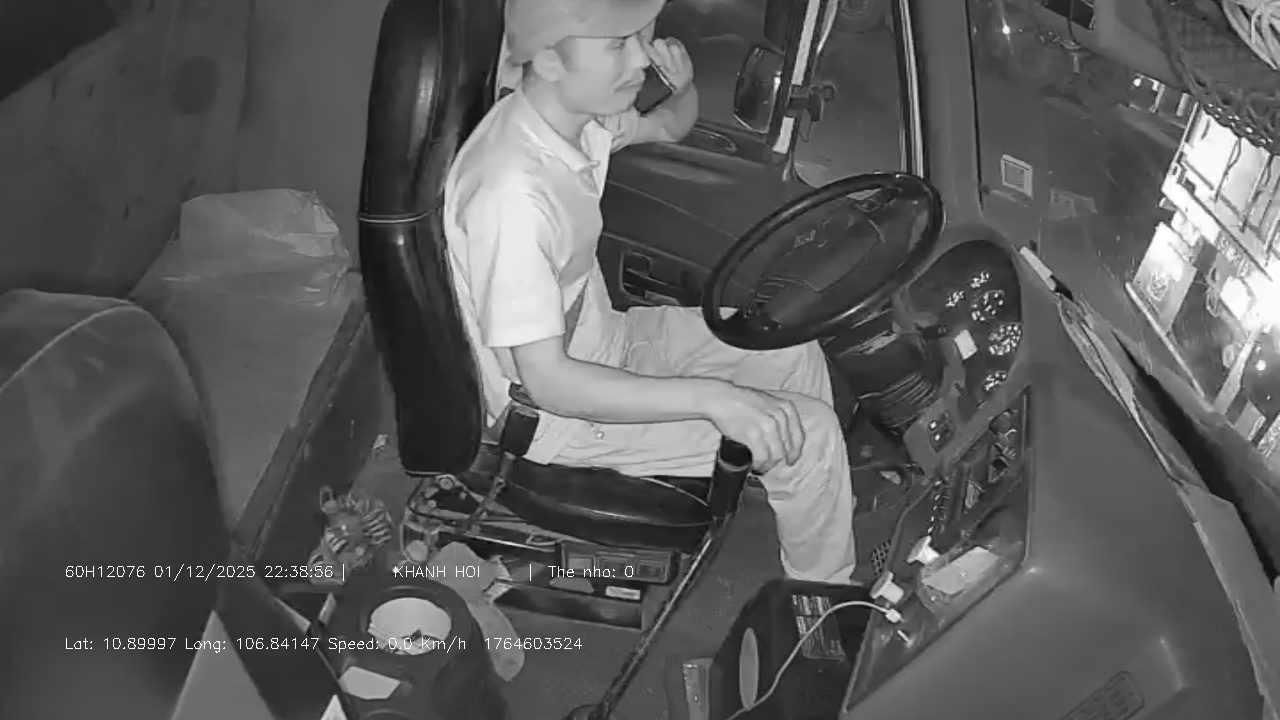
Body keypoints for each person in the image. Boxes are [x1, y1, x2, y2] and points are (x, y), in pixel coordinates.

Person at [443, 0, 858, 584]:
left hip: (609, 341)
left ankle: (791, 482)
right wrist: (715, 398)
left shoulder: (572, 119)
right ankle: (822, 600)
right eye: (618, 44)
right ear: (549, 59)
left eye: (643, 37)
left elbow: (669, 125)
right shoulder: (512, 199)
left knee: (788, 345)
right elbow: (550, 383)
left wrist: (682, 86)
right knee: (811, 432)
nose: (640, 58)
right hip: (557, 415)